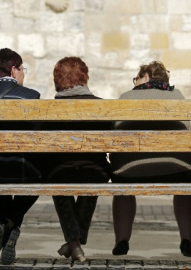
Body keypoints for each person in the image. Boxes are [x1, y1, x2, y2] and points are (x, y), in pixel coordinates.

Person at [109, 61, 191, 257]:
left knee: (123, 191)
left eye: (137, 78)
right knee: (185, 188)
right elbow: (190, 131)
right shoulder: (178, 97)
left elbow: (114, 132)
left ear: (146, 78)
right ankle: (187, 239)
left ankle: (122, 241)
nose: (135, 82)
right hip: (177, 168)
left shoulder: (126, 97)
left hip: (129, 170)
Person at [0, 48, 42, 265]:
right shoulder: (32, 96)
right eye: (22, 69)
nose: (23, 74)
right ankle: (10, 224)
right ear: (14, 70)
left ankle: (5, 223)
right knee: (38, 179)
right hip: (23, 167)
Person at [40, 56, 112, 262]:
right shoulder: (103, 107)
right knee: (92, 179)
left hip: (58, 170)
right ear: (85, 77)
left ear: (58, 80)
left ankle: (73, 243)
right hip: (95, 170)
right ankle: (75, 241)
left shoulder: (47, 110)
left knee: (59, 183)